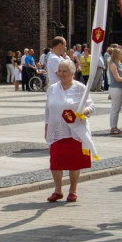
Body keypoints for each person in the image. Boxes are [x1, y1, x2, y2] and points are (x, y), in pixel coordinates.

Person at [44, 59, 95, 203]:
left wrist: (84, 111)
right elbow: (47, 110)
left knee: (74, 161)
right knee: (55, 161)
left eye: (64, 71)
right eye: (59, 71)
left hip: (75, 130)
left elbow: (91, 105)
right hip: (56, 131)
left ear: (72, 72)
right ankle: (57, 190)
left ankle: (73, 190)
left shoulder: (80, 88)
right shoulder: (52, 89)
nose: (61, 74)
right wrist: (46, 128)